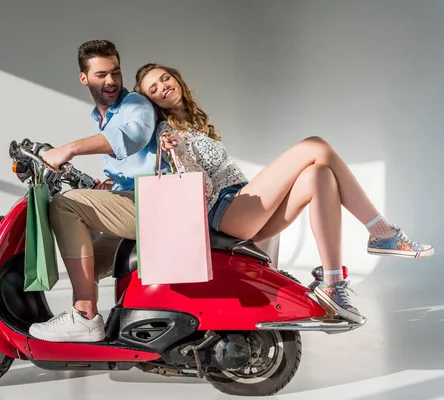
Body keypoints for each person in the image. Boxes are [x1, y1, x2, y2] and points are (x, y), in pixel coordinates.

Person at [133, 63, 434, 323]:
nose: (162, 87)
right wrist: (176, 152)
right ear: (151, 102)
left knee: (320, 175)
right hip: (226, 211)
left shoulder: (197, 123)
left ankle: (332, 282)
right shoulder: (167, 133)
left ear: (176, 80)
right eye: (153, 89)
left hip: (246, 207)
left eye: (164, 79)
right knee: (315, 145)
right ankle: (381, 231)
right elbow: (200, 188)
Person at [28, 41, 167, 342]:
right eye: (101, 74)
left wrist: (70, 149)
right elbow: (130, 162)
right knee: (85, 258)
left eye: (115, 73)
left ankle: (85, 316)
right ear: (84, 78)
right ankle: (85, 319)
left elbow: (133, 138)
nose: (111, 81)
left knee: (64, 206)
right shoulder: (100, 116)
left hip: (158, 203)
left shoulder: (136, 105)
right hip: (136, 199)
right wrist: (109, 185)